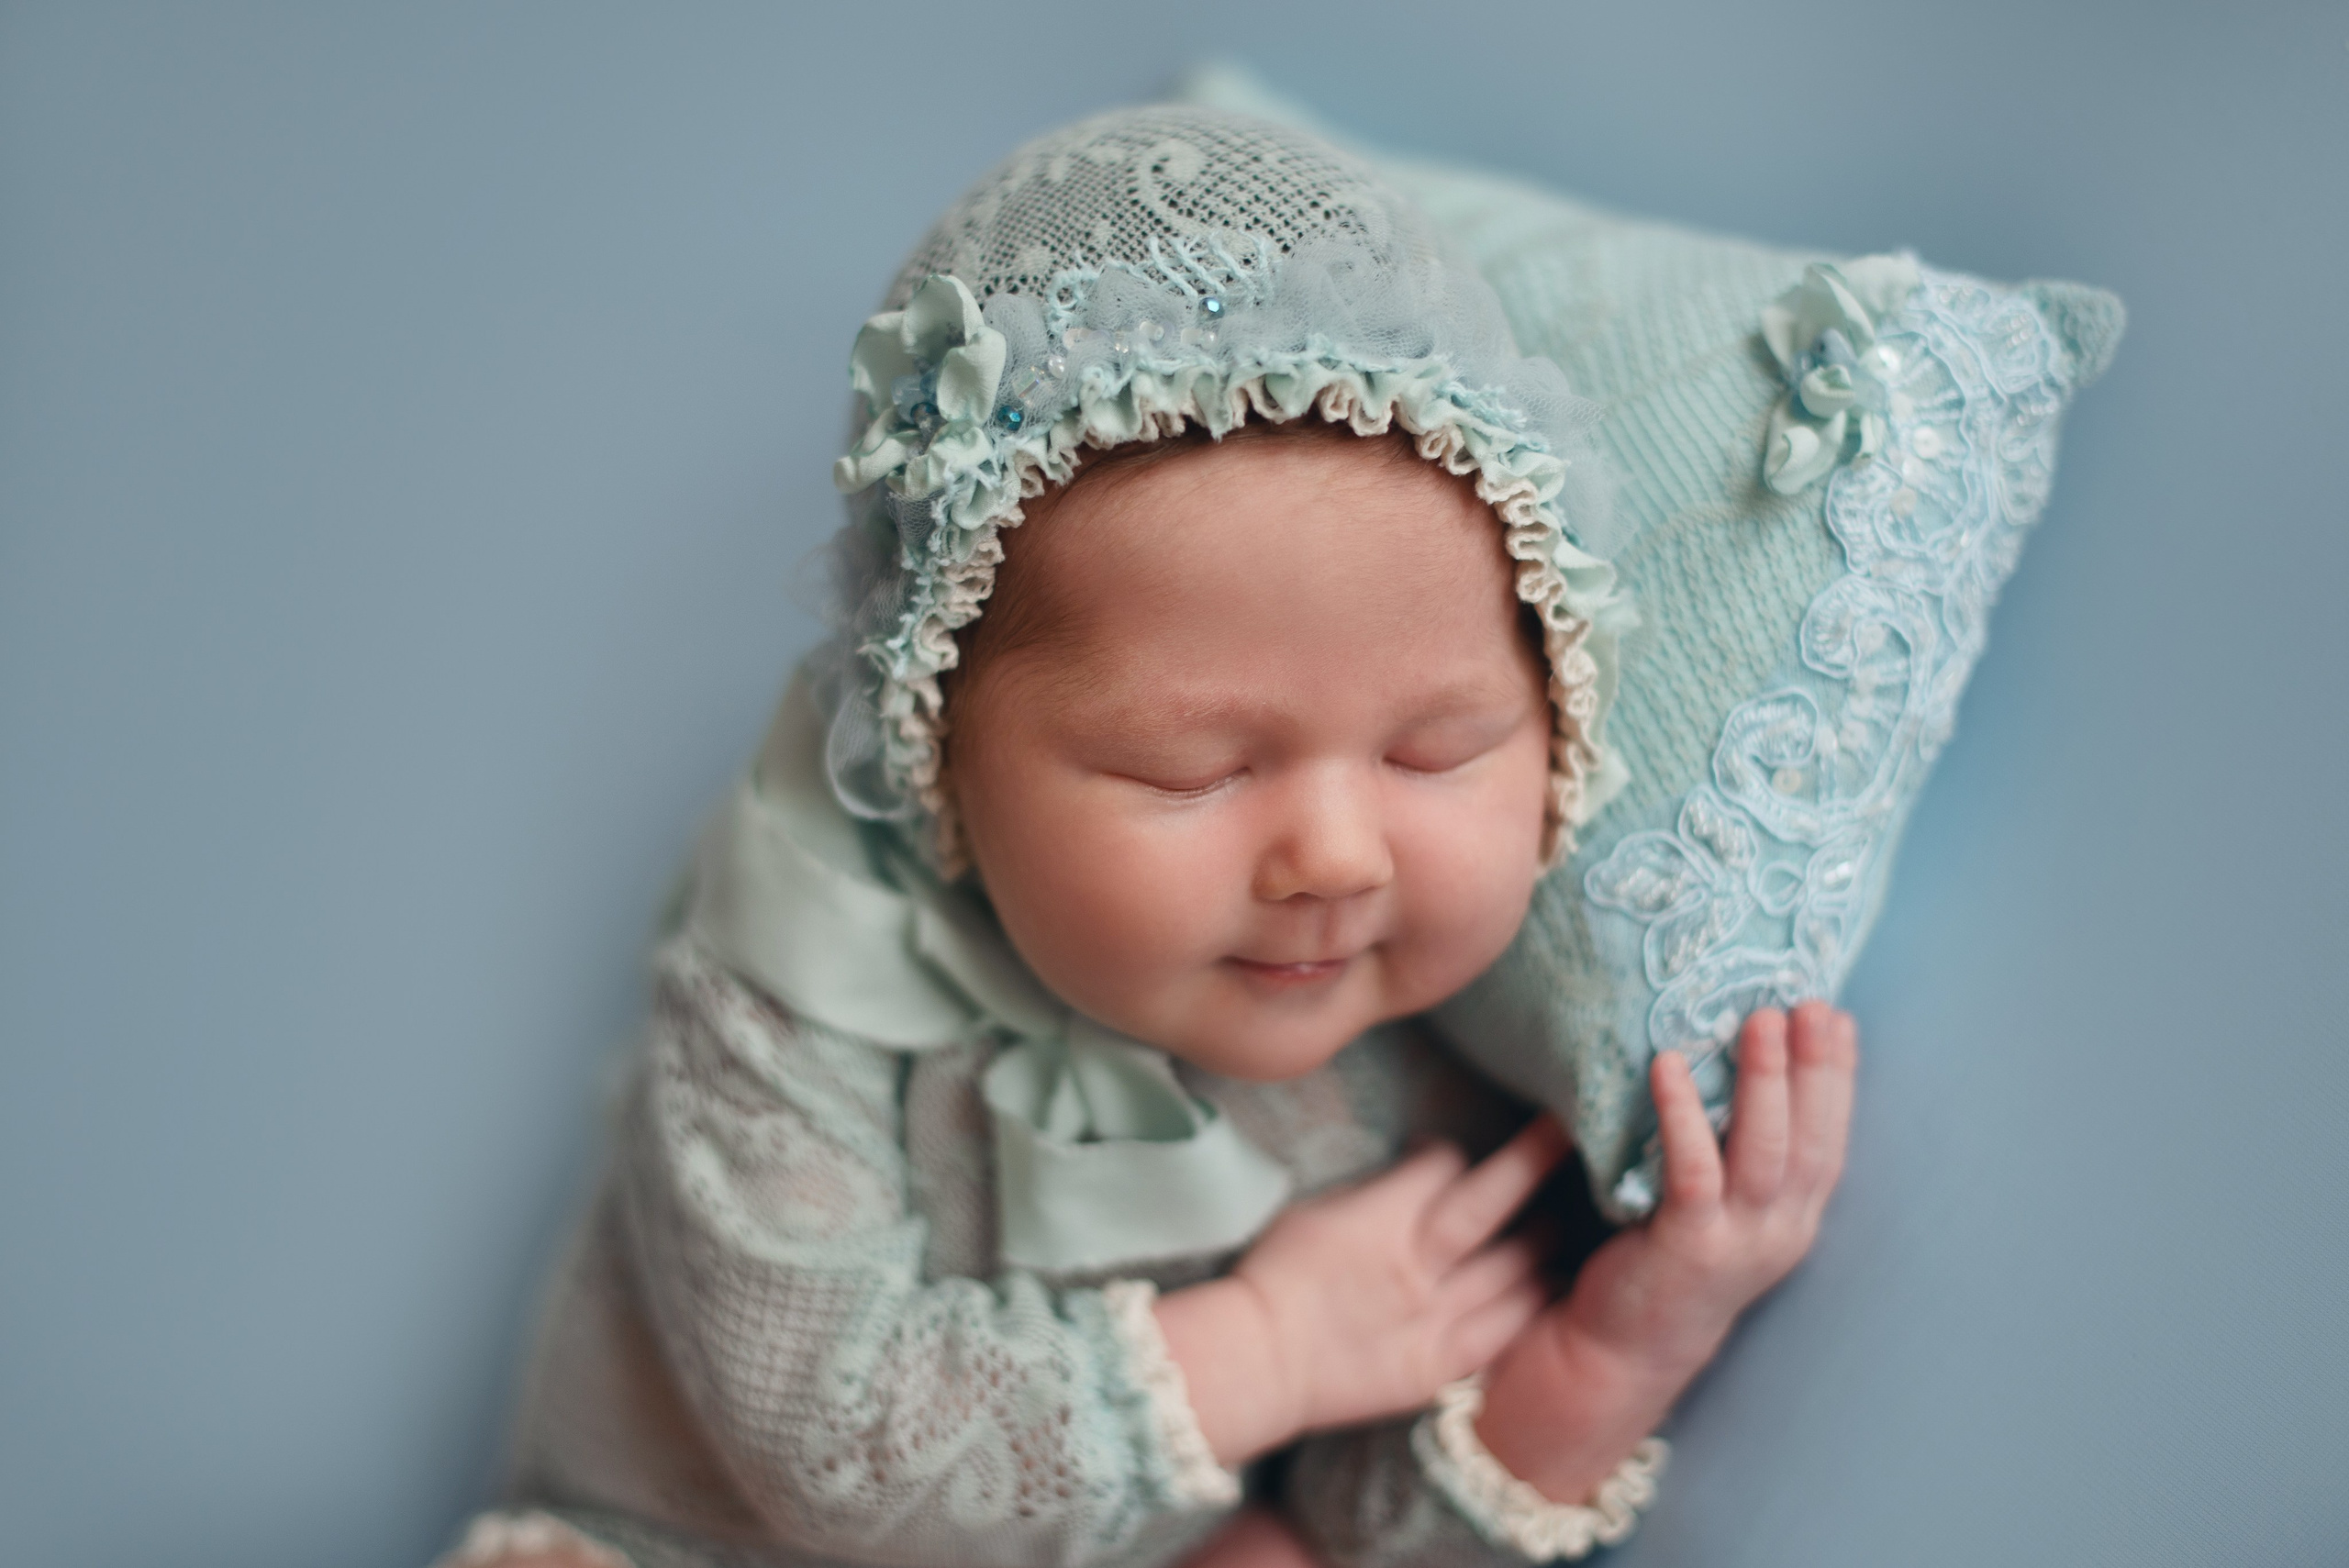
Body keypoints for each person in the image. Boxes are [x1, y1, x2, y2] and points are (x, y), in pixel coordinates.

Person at [438, 104, 1855, 1568]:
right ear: (943, 753)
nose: (1336, 858)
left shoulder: (1418, 1056)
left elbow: (1377, 1536)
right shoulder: (808, 949)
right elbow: (828, 1437)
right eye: (1191, 772)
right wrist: (1268, 1340)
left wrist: (1617, 1349)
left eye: (1437, 749)